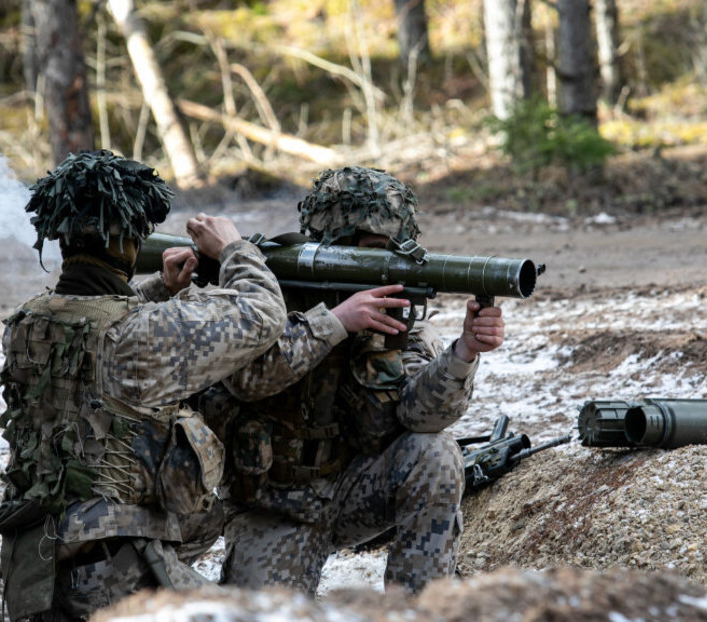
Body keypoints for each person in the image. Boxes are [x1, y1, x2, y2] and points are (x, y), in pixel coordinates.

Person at [0, 150, 286, 621]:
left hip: (37, 570)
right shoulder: (138, 338)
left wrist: (159, 288)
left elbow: (93, 333)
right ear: (127, 240)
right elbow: (262, 314)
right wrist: (233, 249)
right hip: (110, 576)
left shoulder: (26, 323)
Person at [215, 165, 506, 594]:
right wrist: (335, 323)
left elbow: (421, 417)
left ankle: (421, 609)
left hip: (353, 490)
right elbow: (248, 380)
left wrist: (464, 352)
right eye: (371, 251)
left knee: (435, 453)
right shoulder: (266, 296)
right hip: (274, 507)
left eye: (392, 251)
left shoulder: (396, 315)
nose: (383, 267)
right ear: (333, 243)